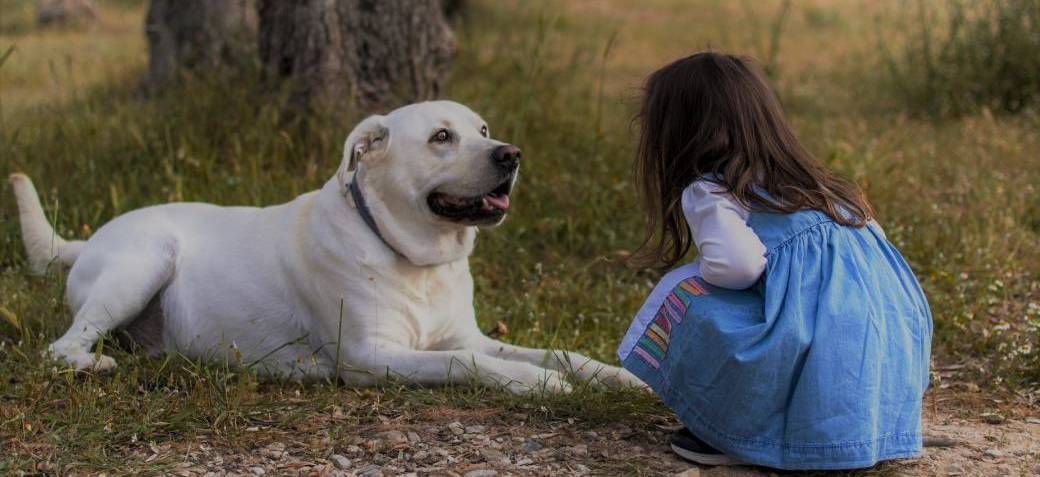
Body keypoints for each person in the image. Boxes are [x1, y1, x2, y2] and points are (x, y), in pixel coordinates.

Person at [617, 51, 932, 470]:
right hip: (884, 360)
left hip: (818, 348)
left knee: (684, 293)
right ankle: (855, 430)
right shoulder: (822, 188)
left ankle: (735, 431)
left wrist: (702, 273)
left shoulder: (713, 190)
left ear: (678, 134)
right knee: (811, 316)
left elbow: (738, 267)